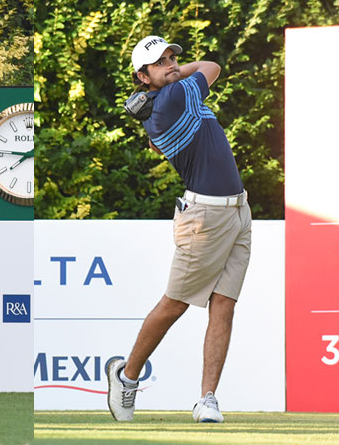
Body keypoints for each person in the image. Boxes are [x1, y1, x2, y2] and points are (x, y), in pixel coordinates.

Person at [105, 36, 252, 423]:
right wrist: (170, 79)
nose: (171, 64)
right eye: (160, 62)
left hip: (238, 210)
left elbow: (196, 73)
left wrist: (158, 80)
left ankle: (207, 399)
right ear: (142, 75)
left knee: (224, 304)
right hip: (205, 218)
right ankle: (127, 376)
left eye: (172, 57)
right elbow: (212, 66)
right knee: (175, 302)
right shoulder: (171, 100)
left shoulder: (166, 99)